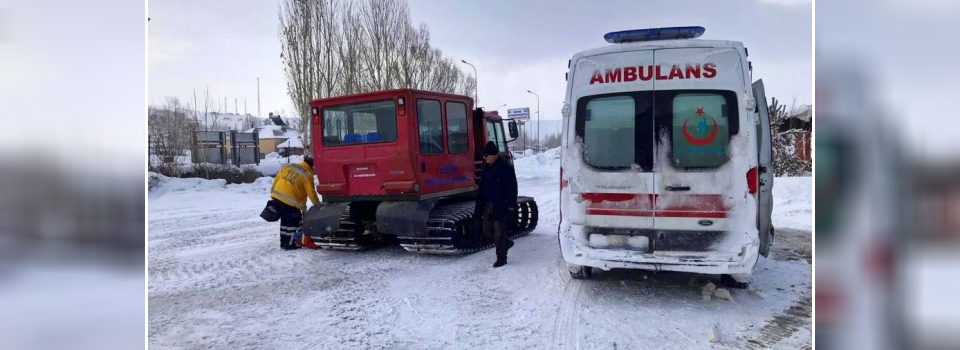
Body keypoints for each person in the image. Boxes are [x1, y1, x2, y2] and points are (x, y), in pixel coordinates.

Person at [476, 141, 519, 268]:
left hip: (501, 205)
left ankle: (501, 258)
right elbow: (482, 185)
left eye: (486, 156)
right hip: (488, 205)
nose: (484, 158)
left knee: (499, 232)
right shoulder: (486, 167)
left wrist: (511, 206)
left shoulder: (506, 167)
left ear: (493, 155)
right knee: (487, 231)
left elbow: (512, 188)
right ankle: (506, 242)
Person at [269, 155, 320, 250]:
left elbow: (277, 178)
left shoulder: (290, 166)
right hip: (290, 202)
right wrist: (318, 205)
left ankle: (283, 243)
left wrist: (272, 192)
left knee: (285, 222)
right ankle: (290, 244)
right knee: (294, 223)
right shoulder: (307, 174)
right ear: (312, 165)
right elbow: (311, 192)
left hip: (277, 197)